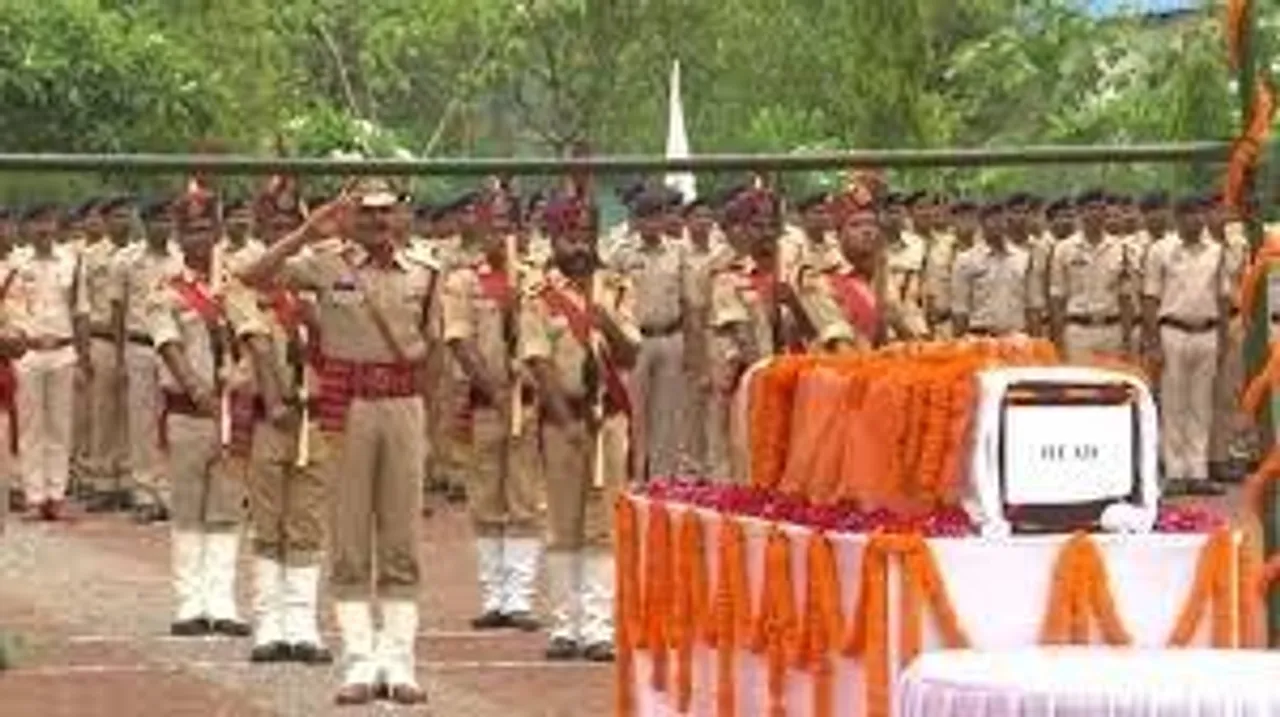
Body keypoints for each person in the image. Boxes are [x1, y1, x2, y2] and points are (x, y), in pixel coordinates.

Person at [239, 179, 432, 706]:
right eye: (364, 214)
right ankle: (360, 660)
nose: (375, 223)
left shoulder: (425, 271)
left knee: (401, 538)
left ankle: (399, 661)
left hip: (404, 406)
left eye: (384, 213)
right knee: (348, 535)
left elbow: (432, 354)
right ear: (352, 217)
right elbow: (253, 276)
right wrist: (307, 231)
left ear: (397, 216)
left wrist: (431, 428)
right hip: (347, 407)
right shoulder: (327, 263)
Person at [521, 195, 638, 662]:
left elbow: (630, 354)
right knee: (563, 521)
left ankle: (597, 626)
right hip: (562, 418)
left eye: (586, 236)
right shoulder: (537, 294)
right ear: (553, 240)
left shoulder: (617, 286)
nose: (579, 246)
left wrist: (602, 313)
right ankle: (566, 625)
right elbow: (536, 359)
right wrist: (566, 421)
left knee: (602, 524)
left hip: (607, 417)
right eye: (570, 237)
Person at [230, 192, 334, 666]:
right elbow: (251, 336)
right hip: (273, 411)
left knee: (308, 518)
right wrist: (273, 400)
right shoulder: (244, 272)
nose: (285, 227)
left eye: (293, 220)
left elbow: (344, 333)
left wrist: (318, 321)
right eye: (275, 220)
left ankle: (303, 624)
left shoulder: (320, 272)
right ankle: (270, 624)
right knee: (268, 518)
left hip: (316, 411)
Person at [148, 193, 251, 637]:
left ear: (218, 233)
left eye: (207, 229)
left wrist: (239, 382)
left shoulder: (238, 284)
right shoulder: (166, 289)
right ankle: (190, 602)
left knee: (227, 508)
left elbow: (254, 339)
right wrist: (198, 388)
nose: (199, 238)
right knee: (189, 506)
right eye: (190, 230)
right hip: (189, 411)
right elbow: (167, 344)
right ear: (177, 236)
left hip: (232, 409)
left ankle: (222, 600)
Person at [440, 199, 543, 632]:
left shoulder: (535, 280)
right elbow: (458, 339)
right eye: (493, 223)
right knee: (485, 499)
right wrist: (493, 389)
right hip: (486, 401)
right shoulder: (465, 280)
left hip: (528, 400)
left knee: (523, 497)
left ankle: (519, 597)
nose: (501, 232)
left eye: (508, 224)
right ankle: (494, 595)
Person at [1142, 197, 1229, 497]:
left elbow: (1223, 297)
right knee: (1174, 402)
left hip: (1207, 330)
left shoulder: (1217, 251)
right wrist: (1153, 342)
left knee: (1201, 404)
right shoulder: (1160, 250)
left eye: (1199, 213)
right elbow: (1150, 298)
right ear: (1177, 219)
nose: (1195, 219)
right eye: (1188, 214)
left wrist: (1224, 341)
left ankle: (1199, 471)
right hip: (1172, 331)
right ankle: (1176, 471)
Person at [8, 203, 87, 521]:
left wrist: (83, 357)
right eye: (37, 222)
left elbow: (81, 311)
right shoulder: (16, 262)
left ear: (56, 226)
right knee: (30, 427)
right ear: (27, 228)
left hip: (63, 351)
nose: (44, 228)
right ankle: (34, 496)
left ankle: (56, 495)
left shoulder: (71, 261)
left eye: (49, 221)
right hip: (27, 353)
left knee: (60, 426)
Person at [111, 197, 181, 523]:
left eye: (167, 220)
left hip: (175, 349)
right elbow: (118, 310)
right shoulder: (126, 260)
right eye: (156, 220)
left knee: (173, 420)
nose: (162, 226)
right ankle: (143, 492)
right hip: (139, 345)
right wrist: (119, 356)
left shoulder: (181, 259)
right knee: (141, 421)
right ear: (145, 224)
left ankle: (168, 491)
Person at [610, 190, 688, 481]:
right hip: (636, 342)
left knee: (667, 414)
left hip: (670, 335)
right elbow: (612, 300)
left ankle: (662, 480)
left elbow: (688, 301)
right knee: (636, 412)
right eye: (646, 218)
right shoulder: (622, 254)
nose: (653, 224)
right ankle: (637, 478)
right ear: (636, 221)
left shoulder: (679, 251)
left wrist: (691, 347)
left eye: (658, 216)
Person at [1047, 191, 1133, 362]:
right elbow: (1057, 299)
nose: (1096, 214)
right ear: (1080, 212)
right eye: (1091, 208)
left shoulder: (1120, 248)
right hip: (1078, 331)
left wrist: (1127, 338)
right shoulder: (1064, 249)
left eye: (1101, 209)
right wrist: (1058, 340)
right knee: (1079, 385)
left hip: (1111, 329)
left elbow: (1125, 297)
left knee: (1111, 385)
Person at [950, 201, 1040, 338]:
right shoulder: (966, 260)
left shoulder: (1023, 258)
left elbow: (1032, 306)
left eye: (1001, 219)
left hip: (1016, 338)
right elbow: (960, 310)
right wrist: (958, 342)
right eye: (992, 219)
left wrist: (1036, 341)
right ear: (982, 223)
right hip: (980, 337)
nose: (997, 223)